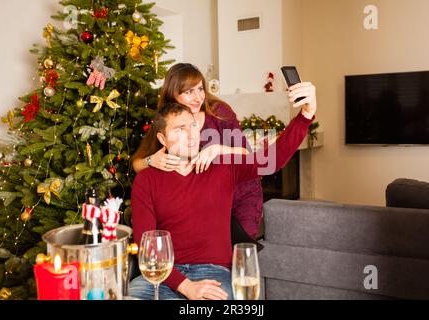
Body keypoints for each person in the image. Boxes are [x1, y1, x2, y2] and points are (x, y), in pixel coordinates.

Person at [128, 82, 317, 300]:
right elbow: (147, 246)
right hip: (163, 276)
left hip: (214, 273)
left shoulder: (222, 166)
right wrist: (186, 286)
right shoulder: (147, 180)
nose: (191, 135)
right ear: (162, 139)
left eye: (192, 126)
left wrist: (306, 114)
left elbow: (273, 158)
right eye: (180, 130)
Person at [131, 63, 263, 240]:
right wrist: (151, 161)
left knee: (240, 254)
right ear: (173, 93)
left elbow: (247, 156)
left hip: (240, 197)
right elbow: (137, 164)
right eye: (188, 92)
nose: (198, 97)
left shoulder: (218, 112)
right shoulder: (168, 119)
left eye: (200, 89)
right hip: (205, 206)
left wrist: (218, 150)